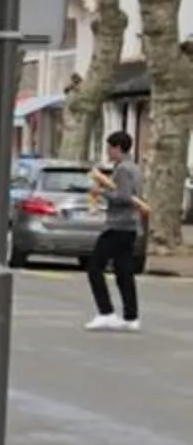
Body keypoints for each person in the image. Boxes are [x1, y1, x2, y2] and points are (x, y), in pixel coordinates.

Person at [84, 132, 148, 331]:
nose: (108, 152)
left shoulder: (122, 170)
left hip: (118, 225)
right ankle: (131, 316)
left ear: (118, 148)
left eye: (110, 148)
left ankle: (106, 312)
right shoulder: (135, 168)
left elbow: (123, 196)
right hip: (129, 226)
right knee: (123, 271)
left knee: (94, 267)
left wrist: (100, 192)